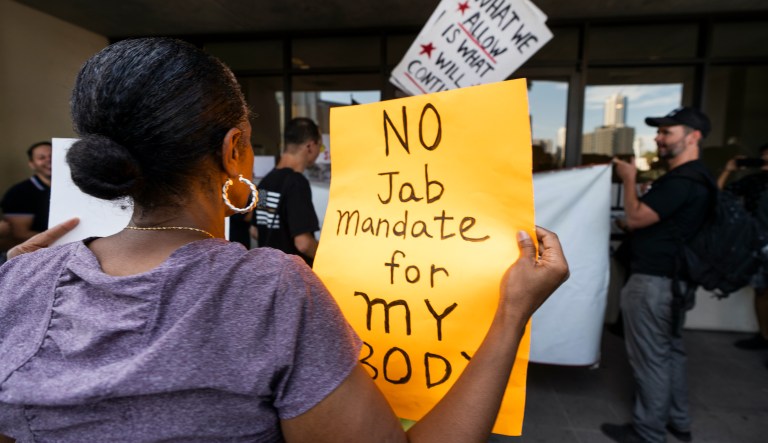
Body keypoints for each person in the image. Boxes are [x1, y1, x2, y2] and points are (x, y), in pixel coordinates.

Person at [0, 38, 569, 442]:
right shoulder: (271, 290)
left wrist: (17, 280)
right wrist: (511, 312)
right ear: (233, 150)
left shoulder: (19, 278)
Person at [602, 107, 713, 443]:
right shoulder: (698, 178)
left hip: (654, 283)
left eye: (668, 132)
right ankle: (678, 422)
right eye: (659, 132)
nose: (659, 138)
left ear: (693, 137)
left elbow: (635, 220)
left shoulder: (681, 181)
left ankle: (649, 432)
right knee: (670, 352)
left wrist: (630, 179)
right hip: (675, 283)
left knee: (651, 358)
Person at [717, 143, 768, 352]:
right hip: (758, 242)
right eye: (763, 157)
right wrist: (728, 170)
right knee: (762, 291)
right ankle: (765, 337)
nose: (765, 161)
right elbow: (717, 195)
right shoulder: (754, 181)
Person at [250, 117, 321, 265]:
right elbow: (304, 243)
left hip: (267, 274)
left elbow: (255, 230)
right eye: (319, 147)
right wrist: (329, 258)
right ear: (310, 146)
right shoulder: (297, 183)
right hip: (291, 278)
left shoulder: (265, 182)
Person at [0, 141, 53, 247]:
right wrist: (65, 240)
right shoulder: (18, 193)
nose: (49, 160)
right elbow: (19, 234)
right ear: (32, 164)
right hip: (37, 251)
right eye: (41, 158)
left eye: (52, 156)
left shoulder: (78, 187)